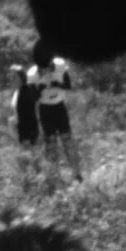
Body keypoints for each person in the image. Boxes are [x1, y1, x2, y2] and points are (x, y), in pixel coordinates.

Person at [27, 39, 83, 181]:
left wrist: (58, 84)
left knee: (67, 139)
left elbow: (69, 85)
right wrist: (40, 89)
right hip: (45, 109)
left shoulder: (60, 65)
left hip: (59, 106)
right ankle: (55, 176)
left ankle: (76, 173)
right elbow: (33, 98)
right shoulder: (32, 75)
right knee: (50, 142)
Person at [9, 64, 40, 147]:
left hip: (27, 135)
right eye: (11, 76)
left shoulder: (25, 92)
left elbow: (27, 116)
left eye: (14, 77)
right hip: (24, 134)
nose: (11, 79)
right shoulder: (19, 91)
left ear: (21, 78)